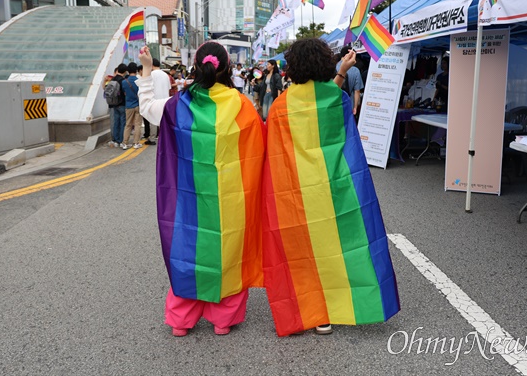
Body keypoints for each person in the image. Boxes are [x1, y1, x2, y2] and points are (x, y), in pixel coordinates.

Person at [262, 38, 400, 337]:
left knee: (302, 253)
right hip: (334, 188)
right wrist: (342, 71)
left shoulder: (280, 107)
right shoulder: (339, 101)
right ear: (325, 63)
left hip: (296, 193)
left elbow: (272, 156)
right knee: (339, 247)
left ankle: (313, 312)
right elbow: (328, 104)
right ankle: (340, 305)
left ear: (292, 68)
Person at [135, 43, 265, 337]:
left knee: (187, 253)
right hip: (230, 200)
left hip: (187, 200)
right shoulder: (242, 105)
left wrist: (145, 68)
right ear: (228, 68)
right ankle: (222, 319)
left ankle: (181, 320)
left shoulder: (176, 104)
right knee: (228, 253)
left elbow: (145, 108)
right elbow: (260, 148)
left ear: (196, 67)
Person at [336, 45, 364, 118]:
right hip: (349, 106)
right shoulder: (355, 71)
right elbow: (357, 91)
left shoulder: (332, 67)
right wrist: (355, 107)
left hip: (334, 105)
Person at [103, 63, 127, 147]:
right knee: (122, 123)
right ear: (124, 71)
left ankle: (115, 140)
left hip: (114, 104)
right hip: (122, 104)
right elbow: (125, 93)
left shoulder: (112, 80)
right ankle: (120, 140)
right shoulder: (123, 81)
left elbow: (106, 89)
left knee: (116, 122)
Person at [121, 62, 143, 149]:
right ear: (136, 70)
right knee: (137, 124)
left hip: (129, 105)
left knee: (128, 124)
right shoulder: (139, 81)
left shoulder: (124, 82)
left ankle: (125, 143)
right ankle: (136, 143)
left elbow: (124, 93)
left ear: (128, 71)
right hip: (138, 105)